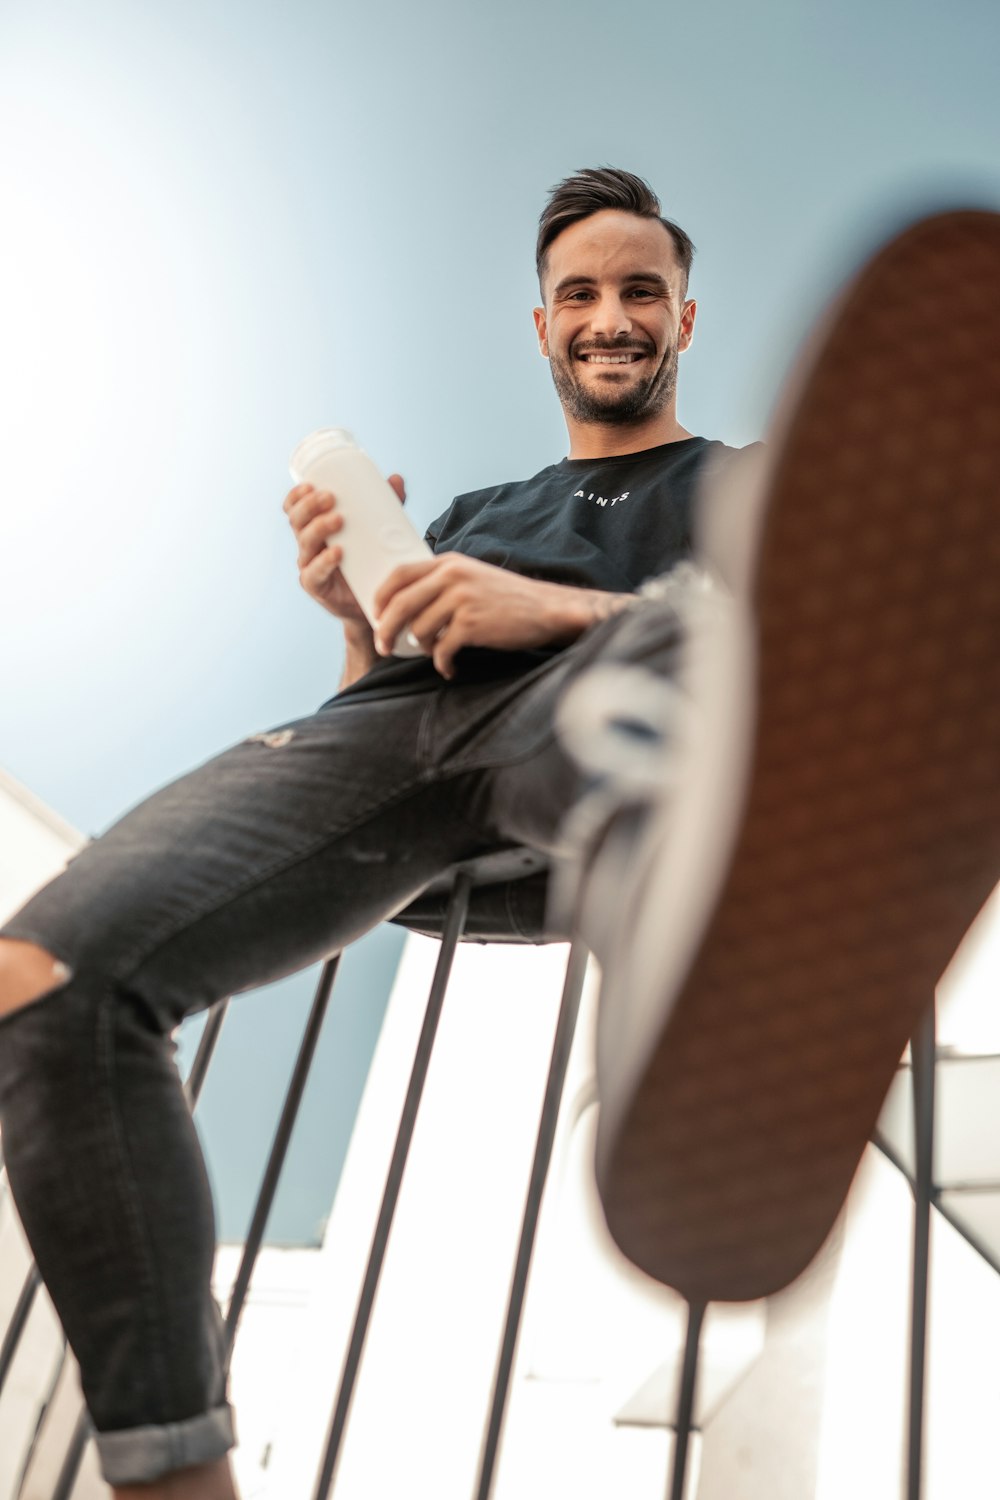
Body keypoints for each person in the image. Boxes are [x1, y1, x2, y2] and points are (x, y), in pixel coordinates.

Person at [0, 167, 742, 1499]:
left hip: (611, 721)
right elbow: (382, 730)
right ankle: (175, 1476)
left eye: (643, 292)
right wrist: (354, 616)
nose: (613, 317)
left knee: (748, 623)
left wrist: (555, 615)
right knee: (43, 981)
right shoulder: (471, 519)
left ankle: (728, 957)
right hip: (408, 743)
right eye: (582, 293)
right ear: (544, 326)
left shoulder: (741, 487)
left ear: (686, 317)